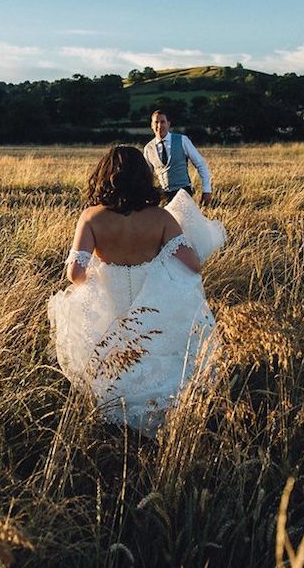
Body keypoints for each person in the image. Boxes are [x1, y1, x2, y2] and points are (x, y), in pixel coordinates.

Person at [48, 146, 225, 435]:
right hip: (152, 304)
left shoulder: (91, 217)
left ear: (104, 176)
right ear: (144, 176)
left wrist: (100, 276)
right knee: (155, 358)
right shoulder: (162, 218)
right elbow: (193, 265)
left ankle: (114, 422)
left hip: (110, 304)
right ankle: (165, 421)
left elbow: (75, 273)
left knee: (111, 362)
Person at [143, 109, 213, 205]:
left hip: (184, 193)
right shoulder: (148, 148)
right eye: (156, 122)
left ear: (169, 124)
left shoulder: (182, 140)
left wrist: (207, 190)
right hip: (164, 197)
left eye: (163, 122)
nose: (159, 126)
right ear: (151, 125)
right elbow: (146, 176)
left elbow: (200, 164)